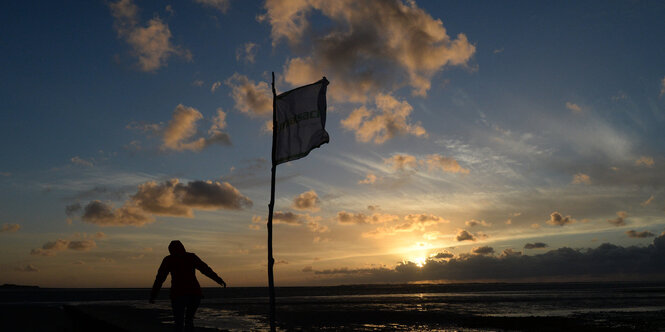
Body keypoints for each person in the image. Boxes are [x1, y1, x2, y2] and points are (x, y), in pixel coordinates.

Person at [150, 240, 226, 332]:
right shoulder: (186, 257)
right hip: (190, 294)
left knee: (180, 322)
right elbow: (205, 269)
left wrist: (153, 295)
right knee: (187, 320)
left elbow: (160, 279)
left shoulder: (171, 259)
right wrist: (218, 279)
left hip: (183, 294)